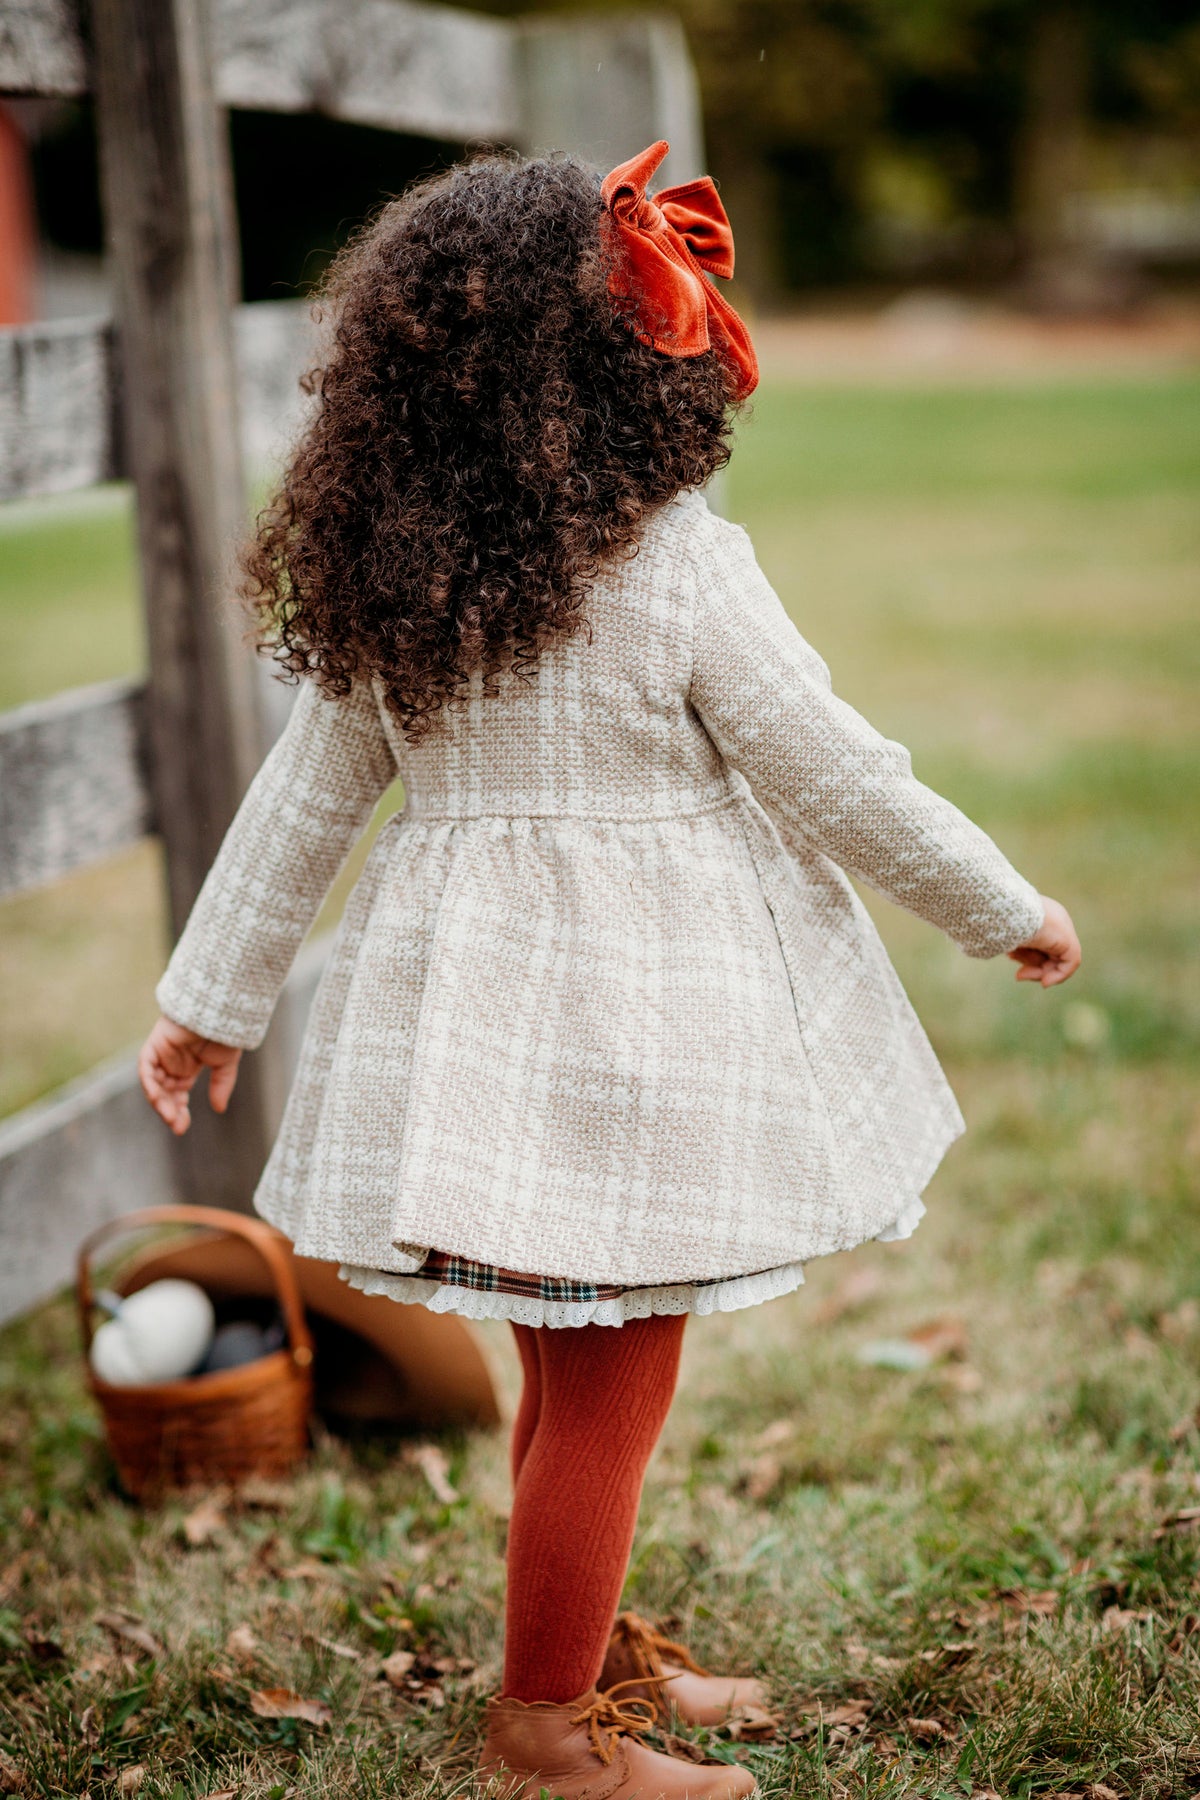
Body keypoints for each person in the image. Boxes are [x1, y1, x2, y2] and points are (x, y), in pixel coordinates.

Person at [138, 142, 1081, 1799]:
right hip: (630, 1038)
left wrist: (209, 996)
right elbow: (838, 772)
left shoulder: (400, 573)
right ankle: (547, 1732)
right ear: (631, 367)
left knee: (568, 1384)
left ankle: (577, 1649)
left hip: (484, 1045)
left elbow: (299, 808)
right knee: (610, 1398)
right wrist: (1004, 906)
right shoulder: (679, 562)